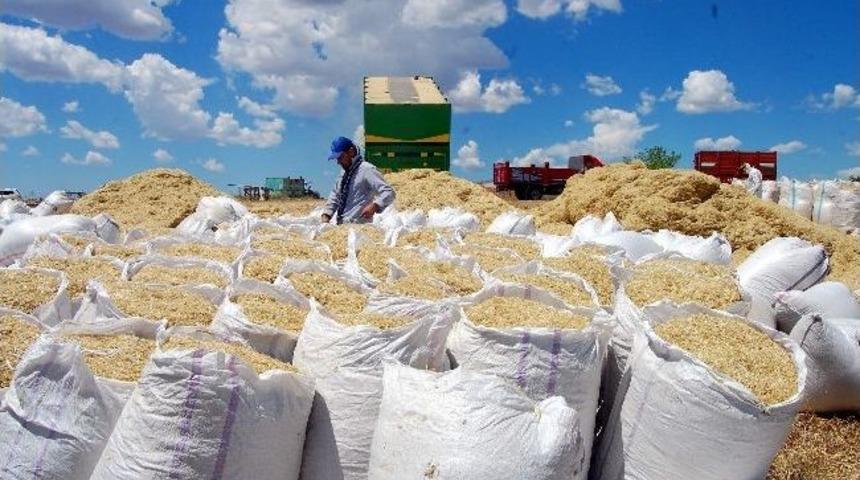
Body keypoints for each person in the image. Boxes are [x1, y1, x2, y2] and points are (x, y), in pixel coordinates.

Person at [321, 136, 395, 224]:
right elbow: (335, 195)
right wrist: (327, 214)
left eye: (340, 157)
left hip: (358, 227)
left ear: (351, 152)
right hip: (342, 227)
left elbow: (389, 192)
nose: (338, 162)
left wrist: (375, 205)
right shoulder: (344, 173)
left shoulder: (367, 169)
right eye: (337, 159)